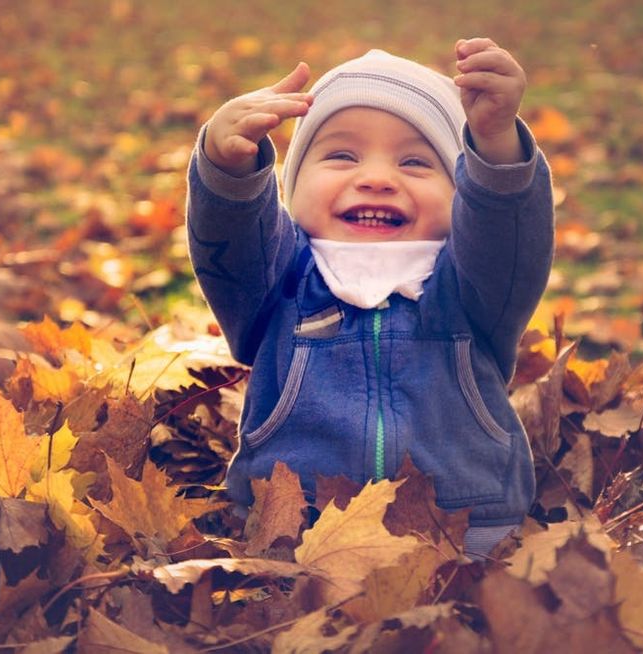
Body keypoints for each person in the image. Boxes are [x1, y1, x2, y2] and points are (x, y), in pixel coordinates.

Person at [186, 38, 554, 555]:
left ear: (460, 195)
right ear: (296, 184)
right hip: (293, 528)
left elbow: (510, 239)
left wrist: (496, 149)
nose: (377, 178)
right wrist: (226, 173)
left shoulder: (469, 281)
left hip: (468, 526)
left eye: (415, 163)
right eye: (341, 155)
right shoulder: (280, 274)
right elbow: (228, 248)